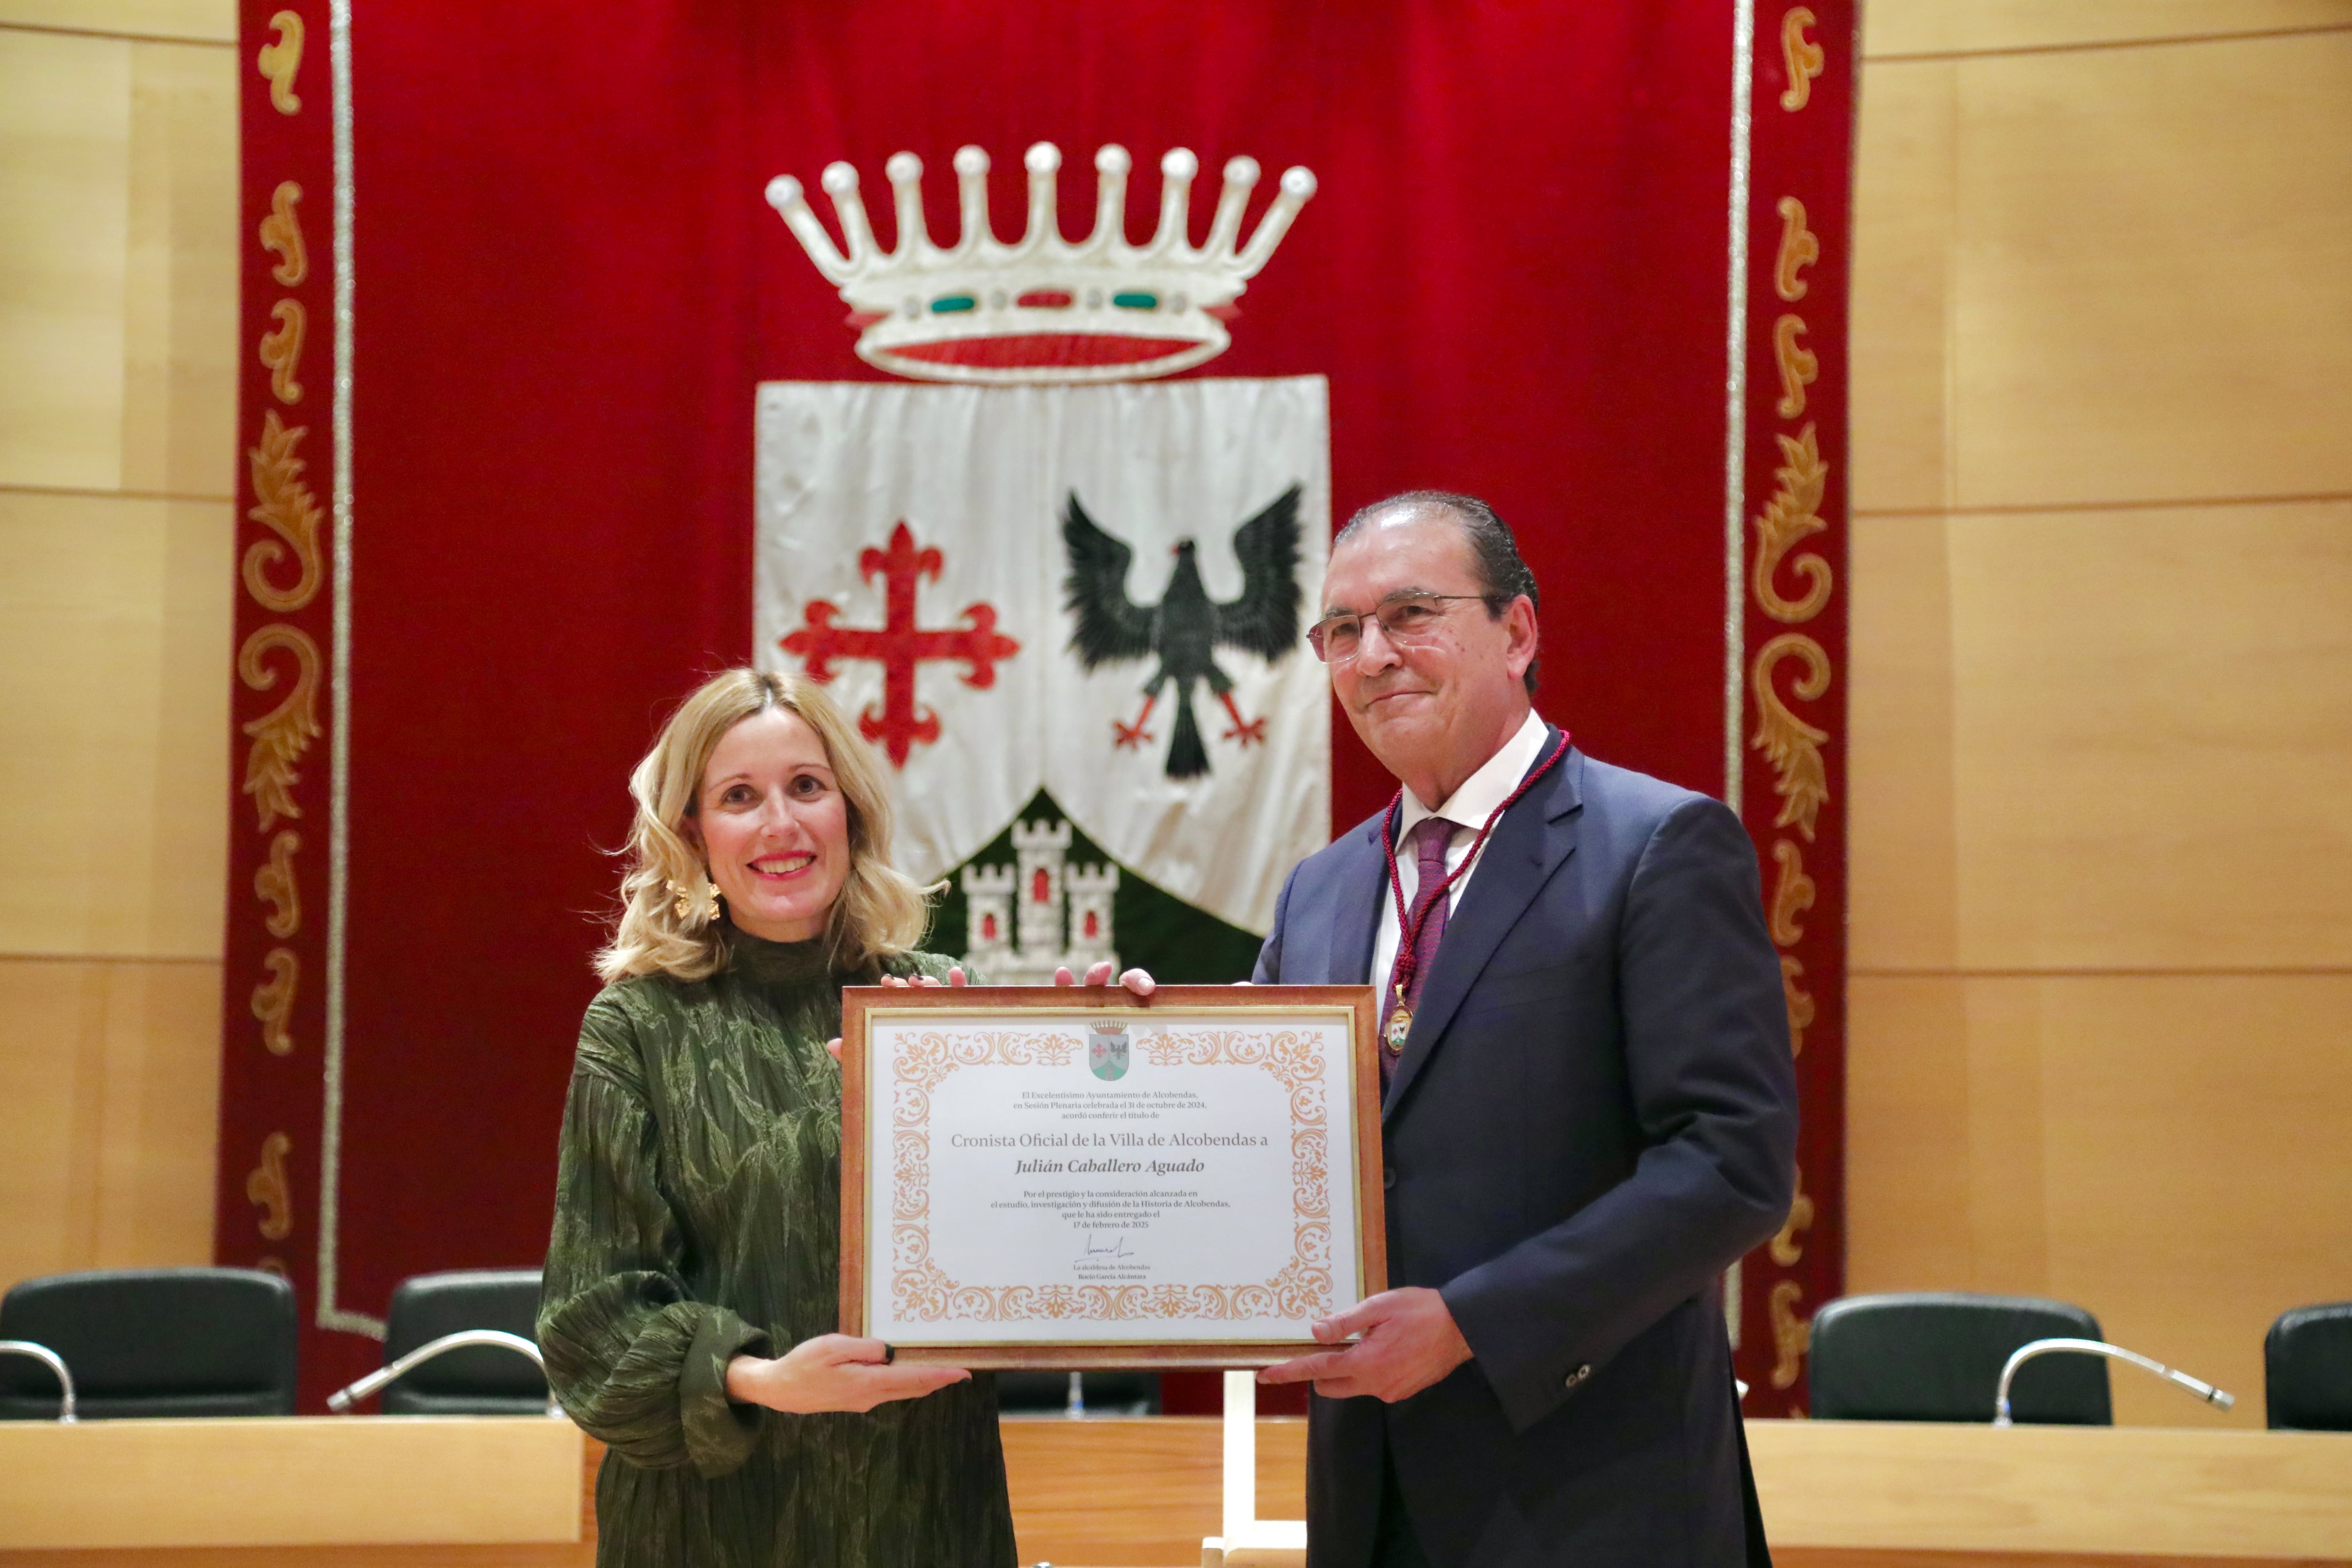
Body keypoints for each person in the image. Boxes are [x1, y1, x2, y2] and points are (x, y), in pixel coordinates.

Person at [1252, 493, 1799, 1567]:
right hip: (1369, 1492)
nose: (1372, 655)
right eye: (1342, 630)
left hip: (1596, 1493)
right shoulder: (1319, 888)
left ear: (1518, 630)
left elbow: (1732, 1164)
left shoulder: (1658, 844)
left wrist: (1470, 1322)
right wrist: (1120, 1046)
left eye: (1410, 613)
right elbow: (1256, 1131)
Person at [537, 668, 1142, 1568]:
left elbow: (1057, 1256)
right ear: (694, 833)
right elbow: (590, 1322)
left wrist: (1113, 1072)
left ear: (848, 812)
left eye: (806, 787)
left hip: (925, 1508)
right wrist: (766, 1382)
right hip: (711, 1527)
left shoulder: (940, 1004)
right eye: (740, 796)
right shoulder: (637, 1027)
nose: (781, 823)